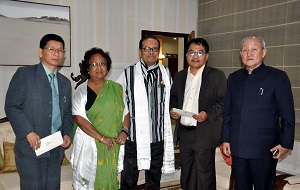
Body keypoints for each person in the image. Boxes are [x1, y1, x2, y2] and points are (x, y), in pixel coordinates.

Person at [222, 35, 295, 190]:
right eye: (245, 50)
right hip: (238, 147)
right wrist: (225, 139)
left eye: (254, 49)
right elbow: (228, 112)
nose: (249, 53)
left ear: (264, 52)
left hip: (264, 149)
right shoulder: (233, 78)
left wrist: (285, 143)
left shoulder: (277, 77)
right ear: (240, 54)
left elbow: (287, 114)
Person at [4, 33, 73, 189]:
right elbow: (11, 106)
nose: (57, 53)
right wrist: (28, 132)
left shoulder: (64, 83)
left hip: (55, 149)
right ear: (40, 52)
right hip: (31, 150)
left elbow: (67, 113)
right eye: (52, 49)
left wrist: (67, 133)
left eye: (61, 50)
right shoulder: (25, 75)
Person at [117, 35, 175, 190]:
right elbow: (119, 103)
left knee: (153, 180)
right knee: (129, 179)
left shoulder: (166, 73)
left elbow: (171, 101)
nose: (151, 52)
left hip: (157, 138)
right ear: (140, 51)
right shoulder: (128, 74)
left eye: (155, 49)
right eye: (147, 48)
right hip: (134, 138)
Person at [170, 37, 227, 190]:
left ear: (206, 56)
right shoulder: (179, 76)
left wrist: (207, 114)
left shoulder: (217, 76)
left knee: (204, 174)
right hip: (184, 133)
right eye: (192, 52)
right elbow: (174, 98)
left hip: (204, 132)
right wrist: (173, 111)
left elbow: (223, 101)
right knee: (187, 173)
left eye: (200, 52)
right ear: (187, 55)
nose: (195, 56)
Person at [70, 47, 129, 190]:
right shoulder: (81, 91)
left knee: (110, 179)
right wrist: (102, 138)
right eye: (94, 64)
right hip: (89, 143)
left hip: (112, 143)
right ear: (87, 69)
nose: (99, 68)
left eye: (102, 63)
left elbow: (125, 113)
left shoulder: (117, 88)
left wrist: (124, 131)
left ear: (107, 68)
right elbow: (79, 119)